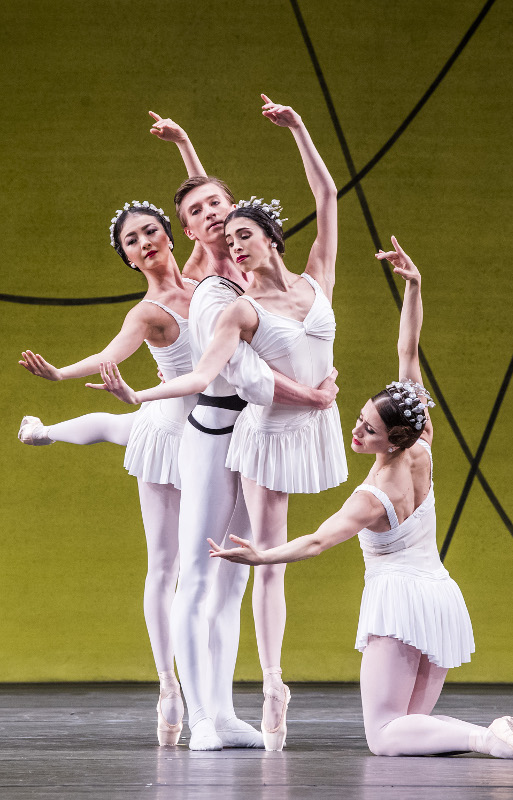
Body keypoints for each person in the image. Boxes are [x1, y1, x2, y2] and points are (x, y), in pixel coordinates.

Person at [207, 238, 513, 760]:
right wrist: (414, 287)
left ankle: (490, 738)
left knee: (383, 736)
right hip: (440, 598)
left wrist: (260, 555)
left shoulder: (374, 495)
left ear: (394, 439)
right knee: (411, 730)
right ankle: (501, 739)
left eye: (368, 430)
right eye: (359, 419)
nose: (356, 432)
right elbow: (409, 349)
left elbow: (314, 542)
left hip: (400, 603)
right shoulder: (422, 444)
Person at [91, 95, 347, 750]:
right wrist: (310, 396)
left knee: (241, 572)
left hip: (259, 435)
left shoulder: (262, 269)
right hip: (217, 426)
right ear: (192, 234)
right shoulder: (213, 289)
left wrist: (288, 130)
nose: (221, 226)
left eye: (230, 219)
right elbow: (231, 378)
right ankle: (195, 706)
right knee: (197, 570)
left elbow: (273, 204)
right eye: (204, 220)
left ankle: (238, 700)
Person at [18, 201, 198, 746]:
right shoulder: (148, 311)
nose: (145, 242)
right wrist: (60, 372)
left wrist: (185, 144)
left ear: (172, 233)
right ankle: (168, 685)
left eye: (151, 231)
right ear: (127, 258)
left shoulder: (205, 275)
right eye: (132, 241)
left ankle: (45, 430)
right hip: (169, 432)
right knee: (165, 564)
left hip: (217, 434)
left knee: (113, 424)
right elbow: (110, 355)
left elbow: (211, 205)